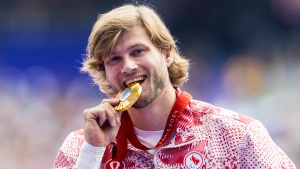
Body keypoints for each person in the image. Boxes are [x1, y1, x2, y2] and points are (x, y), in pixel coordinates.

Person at [53, 3, 296, 169]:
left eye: (138, 51)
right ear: (104, 72)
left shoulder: (236, 136)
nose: (127, 66)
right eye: (114, 59)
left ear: (167, 54)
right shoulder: (82, 147)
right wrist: (93, 152)